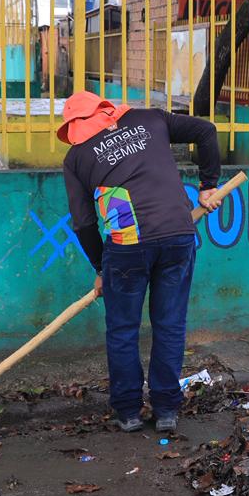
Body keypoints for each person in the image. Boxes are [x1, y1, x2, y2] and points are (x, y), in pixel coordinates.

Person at [59, 90, 223, 433]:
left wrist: (101, 268)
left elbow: (85, 223)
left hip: (127, 246)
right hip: (178, 233)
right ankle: (166, 410)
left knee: (122, 329)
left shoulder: (76, 158)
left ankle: (129, 412)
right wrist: (208, 186)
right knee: (170, 325)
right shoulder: (150, 118)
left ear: (74, 126)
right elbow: (205, 130)